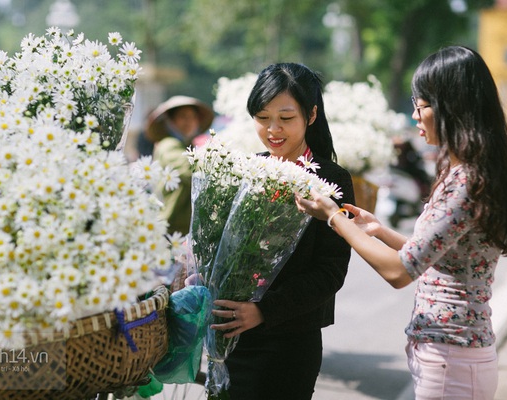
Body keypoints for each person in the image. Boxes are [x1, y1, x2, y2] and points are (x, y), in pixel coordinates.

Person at [296, 46, 507, 400]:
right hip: (452, 355)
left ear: (452, 108)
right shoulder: (470, 173)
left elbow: (400, 272)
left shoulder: (466, 182)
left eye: (423, 104)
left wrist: (334, 217)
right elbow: (440, 257)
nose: (415, 114)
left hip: (453, 357)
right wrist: (380, 231)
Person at [209, 63, 355, 399]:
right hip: (231, 337)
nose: (273, 129)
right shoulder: (246, 170)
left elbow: (331, 271)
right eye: (262, 117)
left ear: (312, 115)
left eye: (286, 118)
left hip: (289, 343)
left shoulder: (332, 181)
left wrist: (264, 311)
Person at [146, 95, 214, 235]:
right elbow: (189, 170)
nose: (189, 121)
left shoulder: (189, 147)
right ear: (171, 121)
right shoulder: (168, 144)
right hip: (168, 229)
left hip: (184, 231)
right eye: (183, 116)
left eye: (193, 117)